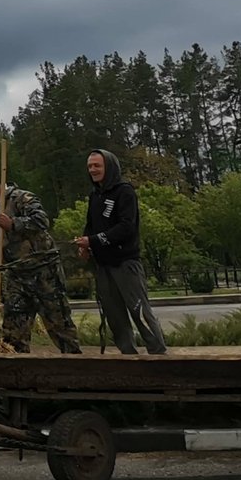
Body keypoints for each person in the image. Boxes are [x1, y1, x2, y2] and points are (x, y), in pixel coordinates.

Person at [0, 171, 82, 354]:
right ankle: (17, 369)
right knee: (13, 333)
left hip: (44, 272)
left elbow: (42, 220)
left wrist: (14, 223)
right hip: (17, 277)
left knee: (60, 326)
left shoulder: (21, 199)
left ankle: (75, 366)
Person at [72, 149, 167, 355]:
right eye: (89, 166)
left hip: (126, 263)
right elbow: (90, 226)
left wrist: (93, 240)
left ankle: (159, 354)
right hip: (103, 265)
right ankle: (128, 356)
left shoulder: (124, 191)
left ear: (109, 166)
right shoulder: (94, 195)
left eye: (97, 165)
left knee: (139, 311)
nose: (93, 170)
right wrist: (85, 245)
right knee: (114, 316)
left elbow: (127, 227)